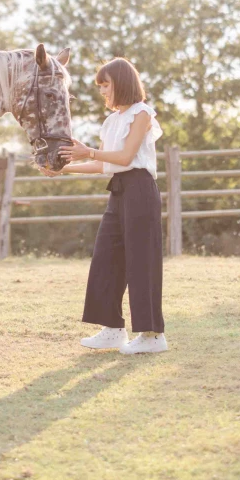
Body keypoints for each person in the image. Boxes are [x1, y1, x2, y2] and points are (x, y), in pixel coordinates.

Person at [48, 57, 167, 354]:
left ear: (121, 83)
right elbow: (103, 166)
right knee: (105, 258)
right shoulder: (111, 121)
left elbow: (126, 158)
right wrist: (63, 169)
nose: (102, 91)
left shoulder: (142, 114)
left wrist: (87, 151)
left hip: (140, 189)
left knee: (142, 262)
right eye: (100, 86)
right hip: (118, 191)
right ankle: (112, 329)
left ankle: (153, 336)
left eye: (105, 85)